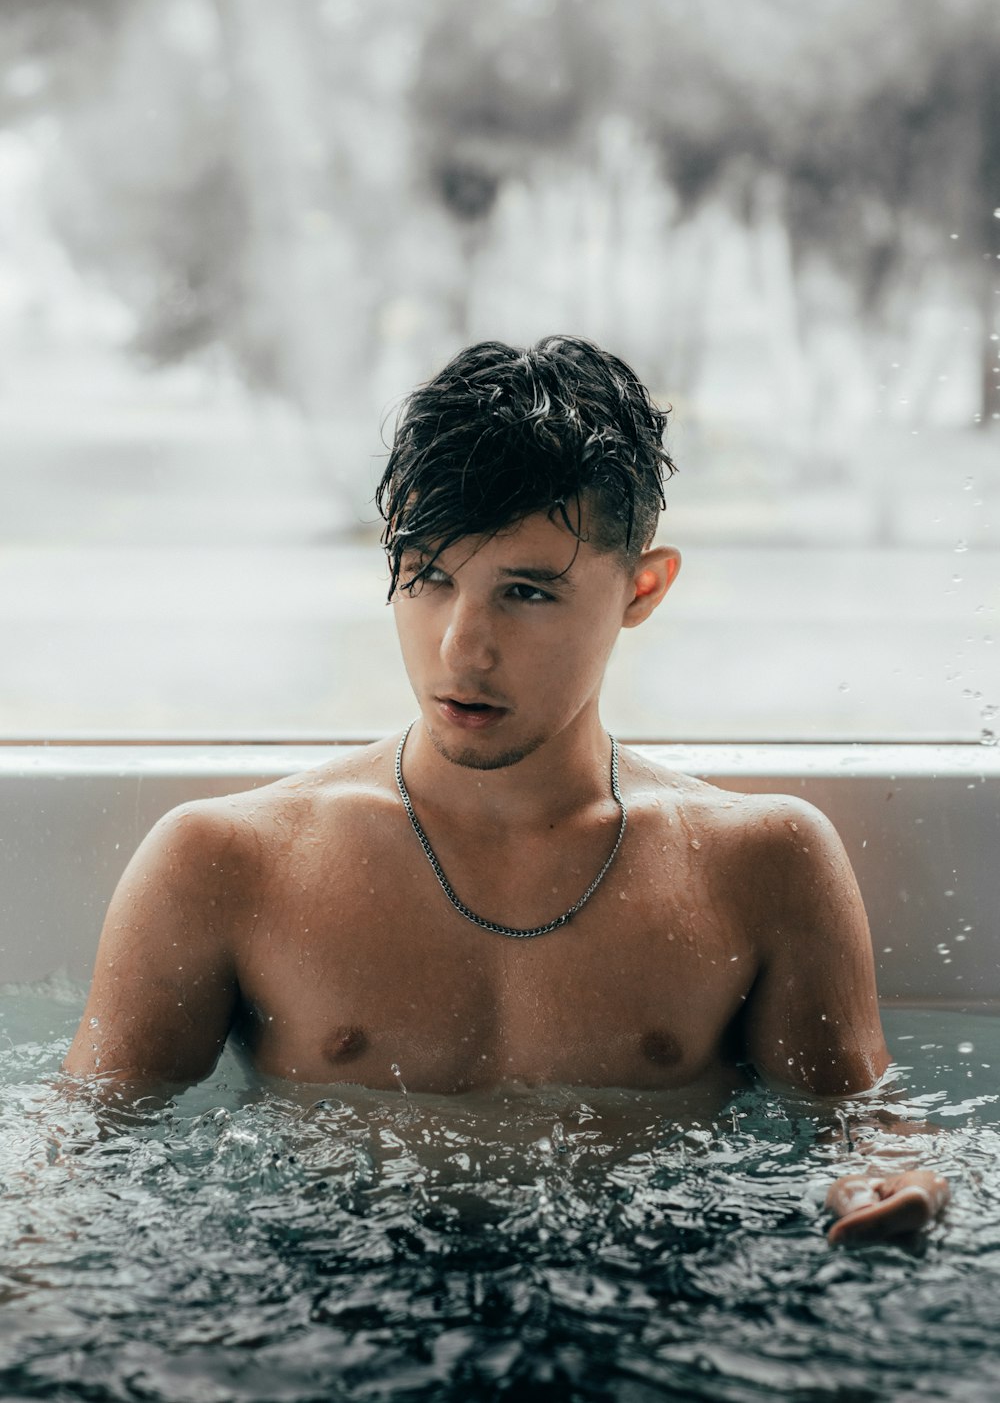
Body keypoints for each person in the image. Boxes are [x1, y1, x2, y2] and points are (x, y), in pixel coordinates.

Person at [64, 335, 948, 1245]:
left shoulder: (761, 864)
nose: (461, 647)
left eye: (525, 592)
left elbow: (858, 1121)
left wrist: (886, 1181)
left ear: (643, 587)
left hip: (652, 1302)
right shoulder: (228, 861)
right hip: (330, 1302)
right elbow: (77, 1152)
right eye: (430, 577)